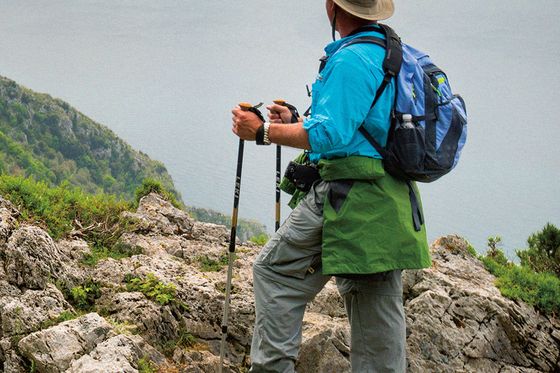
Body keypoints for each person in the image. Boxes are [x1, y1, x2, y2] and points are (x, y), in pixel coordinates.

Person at [231, 0, 431, 371]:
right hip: (389, 203)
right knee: (376, 306)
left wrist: (262, 132)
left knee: (275, 272)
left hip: (348, 195)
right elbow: (361, 123)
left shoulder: (350, 59)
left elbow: (329, 134)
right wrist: (295, 119)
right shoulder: (389, 50)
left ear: (333, 7)